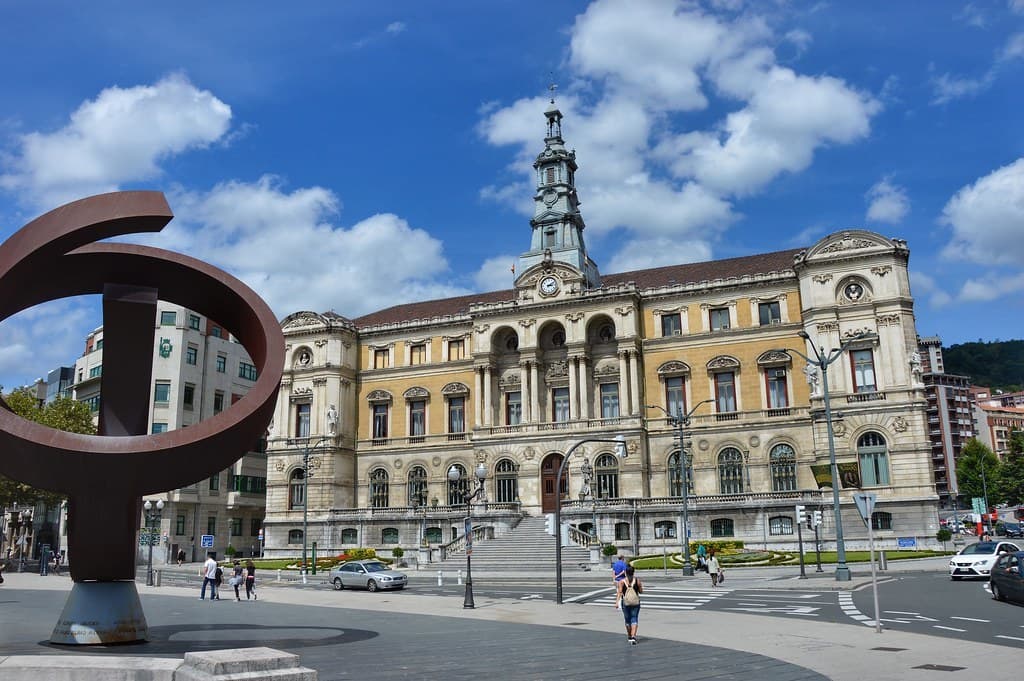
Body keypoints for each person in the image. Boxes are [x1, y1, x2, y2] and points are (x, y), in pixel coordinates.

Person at [614, 565, 643, 645]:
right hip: (635, 602)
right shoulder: (637, 581)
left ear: (626, 573)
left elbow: (619, 593)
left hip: (625, 603)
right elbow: (641, 591)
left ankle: (629, 636)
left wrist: (616, 602)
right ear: (633, 573)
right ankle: (633, 637)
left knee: (627, 620)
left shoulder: (622, 582)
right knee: (634, 618)